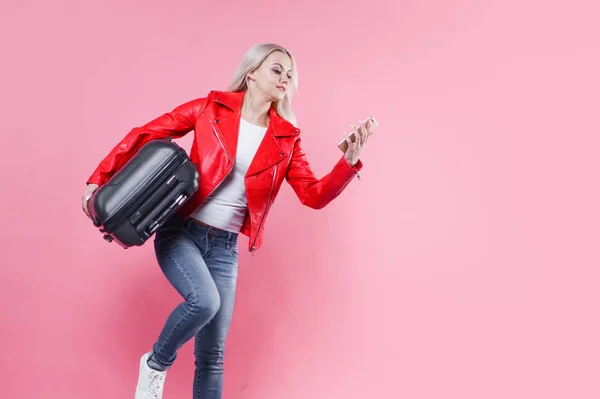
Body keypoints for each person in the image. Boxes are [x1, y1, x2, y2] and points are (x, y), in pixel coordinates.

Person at [81, 43, 375, 399]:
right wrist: (99, 178)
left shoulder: (286, 139)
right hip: (182, 232)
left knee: (212, 356)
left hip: (224, 248)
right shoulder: (211, 107)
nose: (285, 78)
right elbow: (147, 133)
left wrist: (348, 163)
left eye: (290, 73)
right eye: (276, 69)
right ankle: (156, 363)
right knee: (204, 302)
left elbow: (312, 195)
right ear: (252, 73)